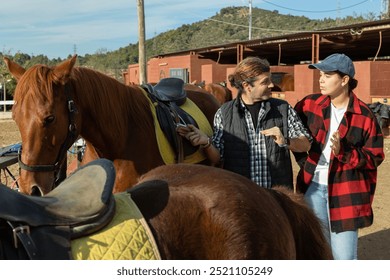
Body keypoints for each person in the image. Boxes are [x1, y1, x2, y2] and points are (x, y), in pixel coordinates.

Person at [293, 53, 385, 260]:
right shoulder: (310, 104)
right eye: (320, 75)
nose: (320, 79)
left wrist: (344, 153)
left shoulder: (364, 116)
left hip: (347, 192)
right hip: (313, 188)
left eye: (327, 75)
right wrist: (304, 160)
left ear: (344, 80)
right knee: (318, 253)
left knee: (343, 259)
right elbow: (292, 128)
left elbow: (375, 158)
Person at [177, 56, 312, 189]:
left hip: (276, 199)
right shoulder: (224, 113)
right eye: (265, 82)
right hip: (243, 196)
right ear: (247, 86)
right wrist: (205, 142)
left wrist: (286, 141)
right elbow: (217, 158)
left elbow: (305, 144)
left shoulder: (283, 109)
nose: (272, 85)